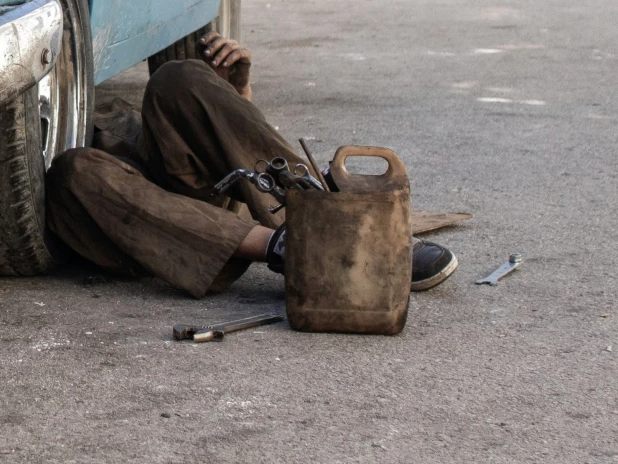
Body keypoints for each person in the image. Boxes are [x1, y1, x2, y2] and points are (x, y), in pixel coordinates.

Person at [47, 32, 459, 296]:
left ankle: (335, 217)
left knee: (177, 78)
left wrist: (237, 91)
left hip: (173, 173)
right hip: (129, 215)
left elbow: (225, 150)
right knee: (74, 172)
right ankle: (297, 247)